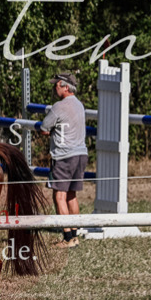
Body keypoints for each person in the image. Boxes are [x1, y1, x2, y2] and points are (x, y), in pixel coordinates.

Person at [40, 72, 87, 248]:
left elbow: (45, 127)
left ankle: (67, 237)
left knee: (59, 195)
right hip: (81, 154)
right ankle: (75, 235)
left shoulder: (58, 107)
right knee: (72, 195)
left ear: (65, 87)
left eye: (57, 85)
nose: (55, 88)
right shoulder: (80, 105)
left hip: (63, 156)